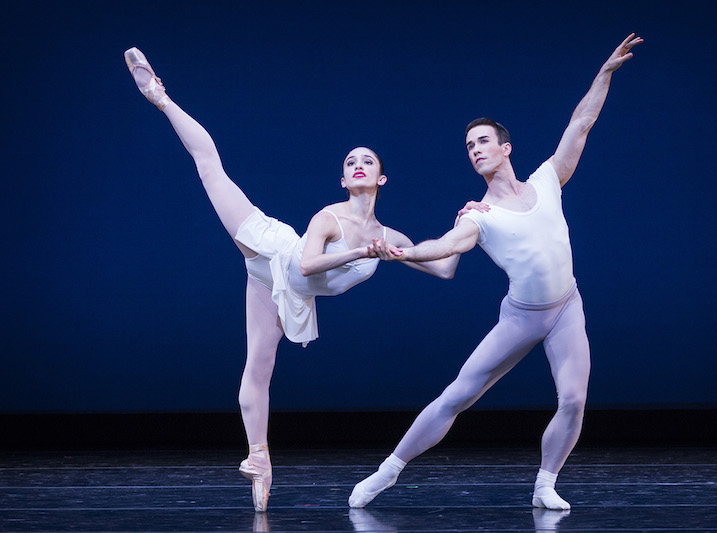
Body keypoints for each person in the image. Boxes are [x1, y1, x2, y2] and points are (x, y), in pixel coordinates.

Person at [123, 48, 460, 512]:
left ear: (382, 179)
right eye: (350, 162)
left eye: (367, 162)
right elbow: (305, 265)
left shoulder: (390, 237)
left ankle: (260, 460)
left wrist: (470, 227)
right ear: (343, 180)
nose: (358, 165)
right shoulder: (330, 217)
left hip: (281, 292)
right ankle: (159, 96)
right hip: (272, 251)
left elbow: (443, 267)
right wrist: (361, 252)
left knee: (260, 368)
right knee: (209, 166)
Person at [348, 33, 643, 510]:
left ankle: (545, 484)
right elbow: (444, 246)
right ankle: (385, 473)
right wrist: (402, 255)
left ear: (506, 148)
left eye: (483, 141)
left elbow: (582, 122)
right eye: (469, 146)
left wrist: (604, 72)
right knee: (457, 396)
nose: (476, 149)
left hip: (567, 307)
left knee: (573, 399)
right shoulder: (479, 216)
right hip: (521, 317)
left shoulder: (548, 180)